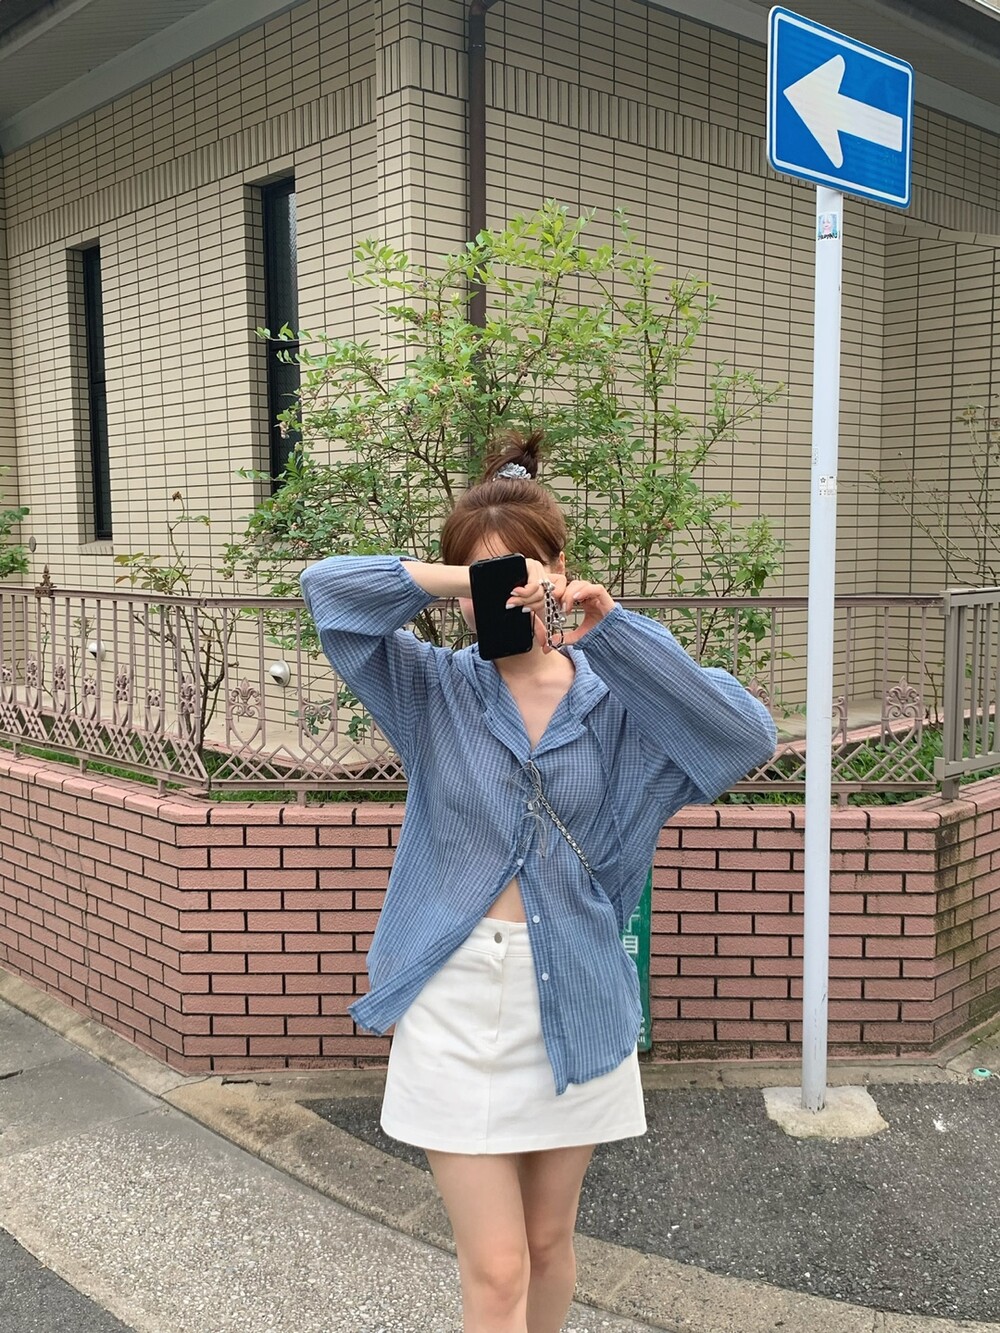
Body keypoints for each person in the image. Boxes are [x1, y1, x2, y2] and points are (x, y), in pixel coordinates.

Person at [299, 429, 777, 1333]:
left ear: (561, 568)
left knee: (551, 1244)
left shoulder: (619, 706)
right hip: (454, 998)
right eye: (480, 582)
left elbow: (744, 735)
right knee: (497, 1266)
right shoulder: (431, 690)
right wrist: (458, 579)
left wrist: (614, 629)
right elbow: (327, 592)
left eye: (521, 572)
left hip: (576, 994)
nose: (501, 596)